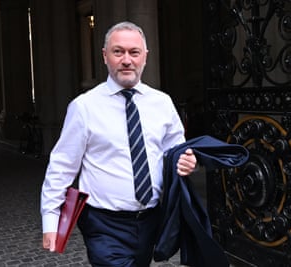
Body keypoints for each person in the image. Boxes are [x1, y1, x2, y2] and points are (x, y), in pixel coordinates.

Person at [40, 21, 197, 266]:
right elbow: (62, 166)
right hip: (104, 225)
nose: (126, 60)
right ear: (105, 56)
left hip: (150, 220)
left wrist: (187, 160)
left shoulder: (163, 103)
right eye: (118, 51)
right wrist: (51, 220)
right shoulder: (84, 107)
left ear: (145, 56)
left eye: (134, 52)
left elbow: (175, 151)